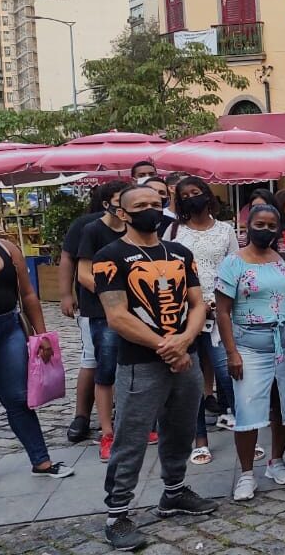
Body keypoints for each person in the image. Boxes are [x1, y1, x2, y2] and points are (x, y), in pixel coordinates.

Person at [93, 185, 216, 551]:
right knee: (131, 438)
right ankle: (117, 514)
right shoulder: (109, 256)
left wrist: (184, 342)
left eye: (156, 203)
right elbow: (117, 316)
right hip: (141, 364)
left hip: (186, 358)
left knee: (179, 430)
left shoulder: (180, 252)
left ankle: (174, 492)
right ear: (123, 213)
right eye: (140, 205)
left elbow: (197, 304)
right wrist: (167, 346)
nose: (151, 209)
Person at [0, 191, 75, 490]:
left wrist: (41, 334)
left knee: (19, 397)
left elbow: (28, 294)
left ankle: (42, 461)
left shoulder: (6, 247)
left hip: (8, 328)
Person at [215, 205, 285, 500]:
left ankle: (276, 460)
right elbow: (222, 311)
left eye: (272, 225)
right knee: (247, 409)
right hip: (248, 344)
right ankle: (246, 473)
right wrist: (231, 352)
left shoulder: (284, 260)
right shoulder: (233, 263)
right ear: (248, 225)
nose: (265, 230)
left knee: (284, 405)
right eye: (260, 224)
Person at [166, 176, 240, 463]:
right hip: (184, 313)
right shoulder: (174, 231)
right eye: (185, 196)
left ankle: (242, 431)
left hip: (220, 310)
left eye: (196, 192)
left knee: (227, 372)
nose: (192, 198)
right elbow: (167, 271)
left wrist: (222, 301)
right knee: (192, 378)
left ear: (207, 195)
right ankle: (199, 439)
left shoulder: (225, 230)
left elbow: (236, 267)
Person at [76, 180, 132, 461]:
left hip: (136, 312)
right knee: (106, 369)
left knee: (133, 368)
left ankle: (132, 425)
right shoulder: (93, 230)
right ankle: (107, 432)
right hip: (102, 313)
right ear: (107, 202)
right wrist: (112, 294)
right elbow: (84, 273)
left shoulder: (136, 229)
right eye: (120, 199)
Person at [60, 186, 104, 443]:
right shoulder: (85, 224)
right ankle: (82, 416)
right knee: (91, 359)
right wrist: (66, 294)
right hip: (92, 304)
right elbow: (68, 259)